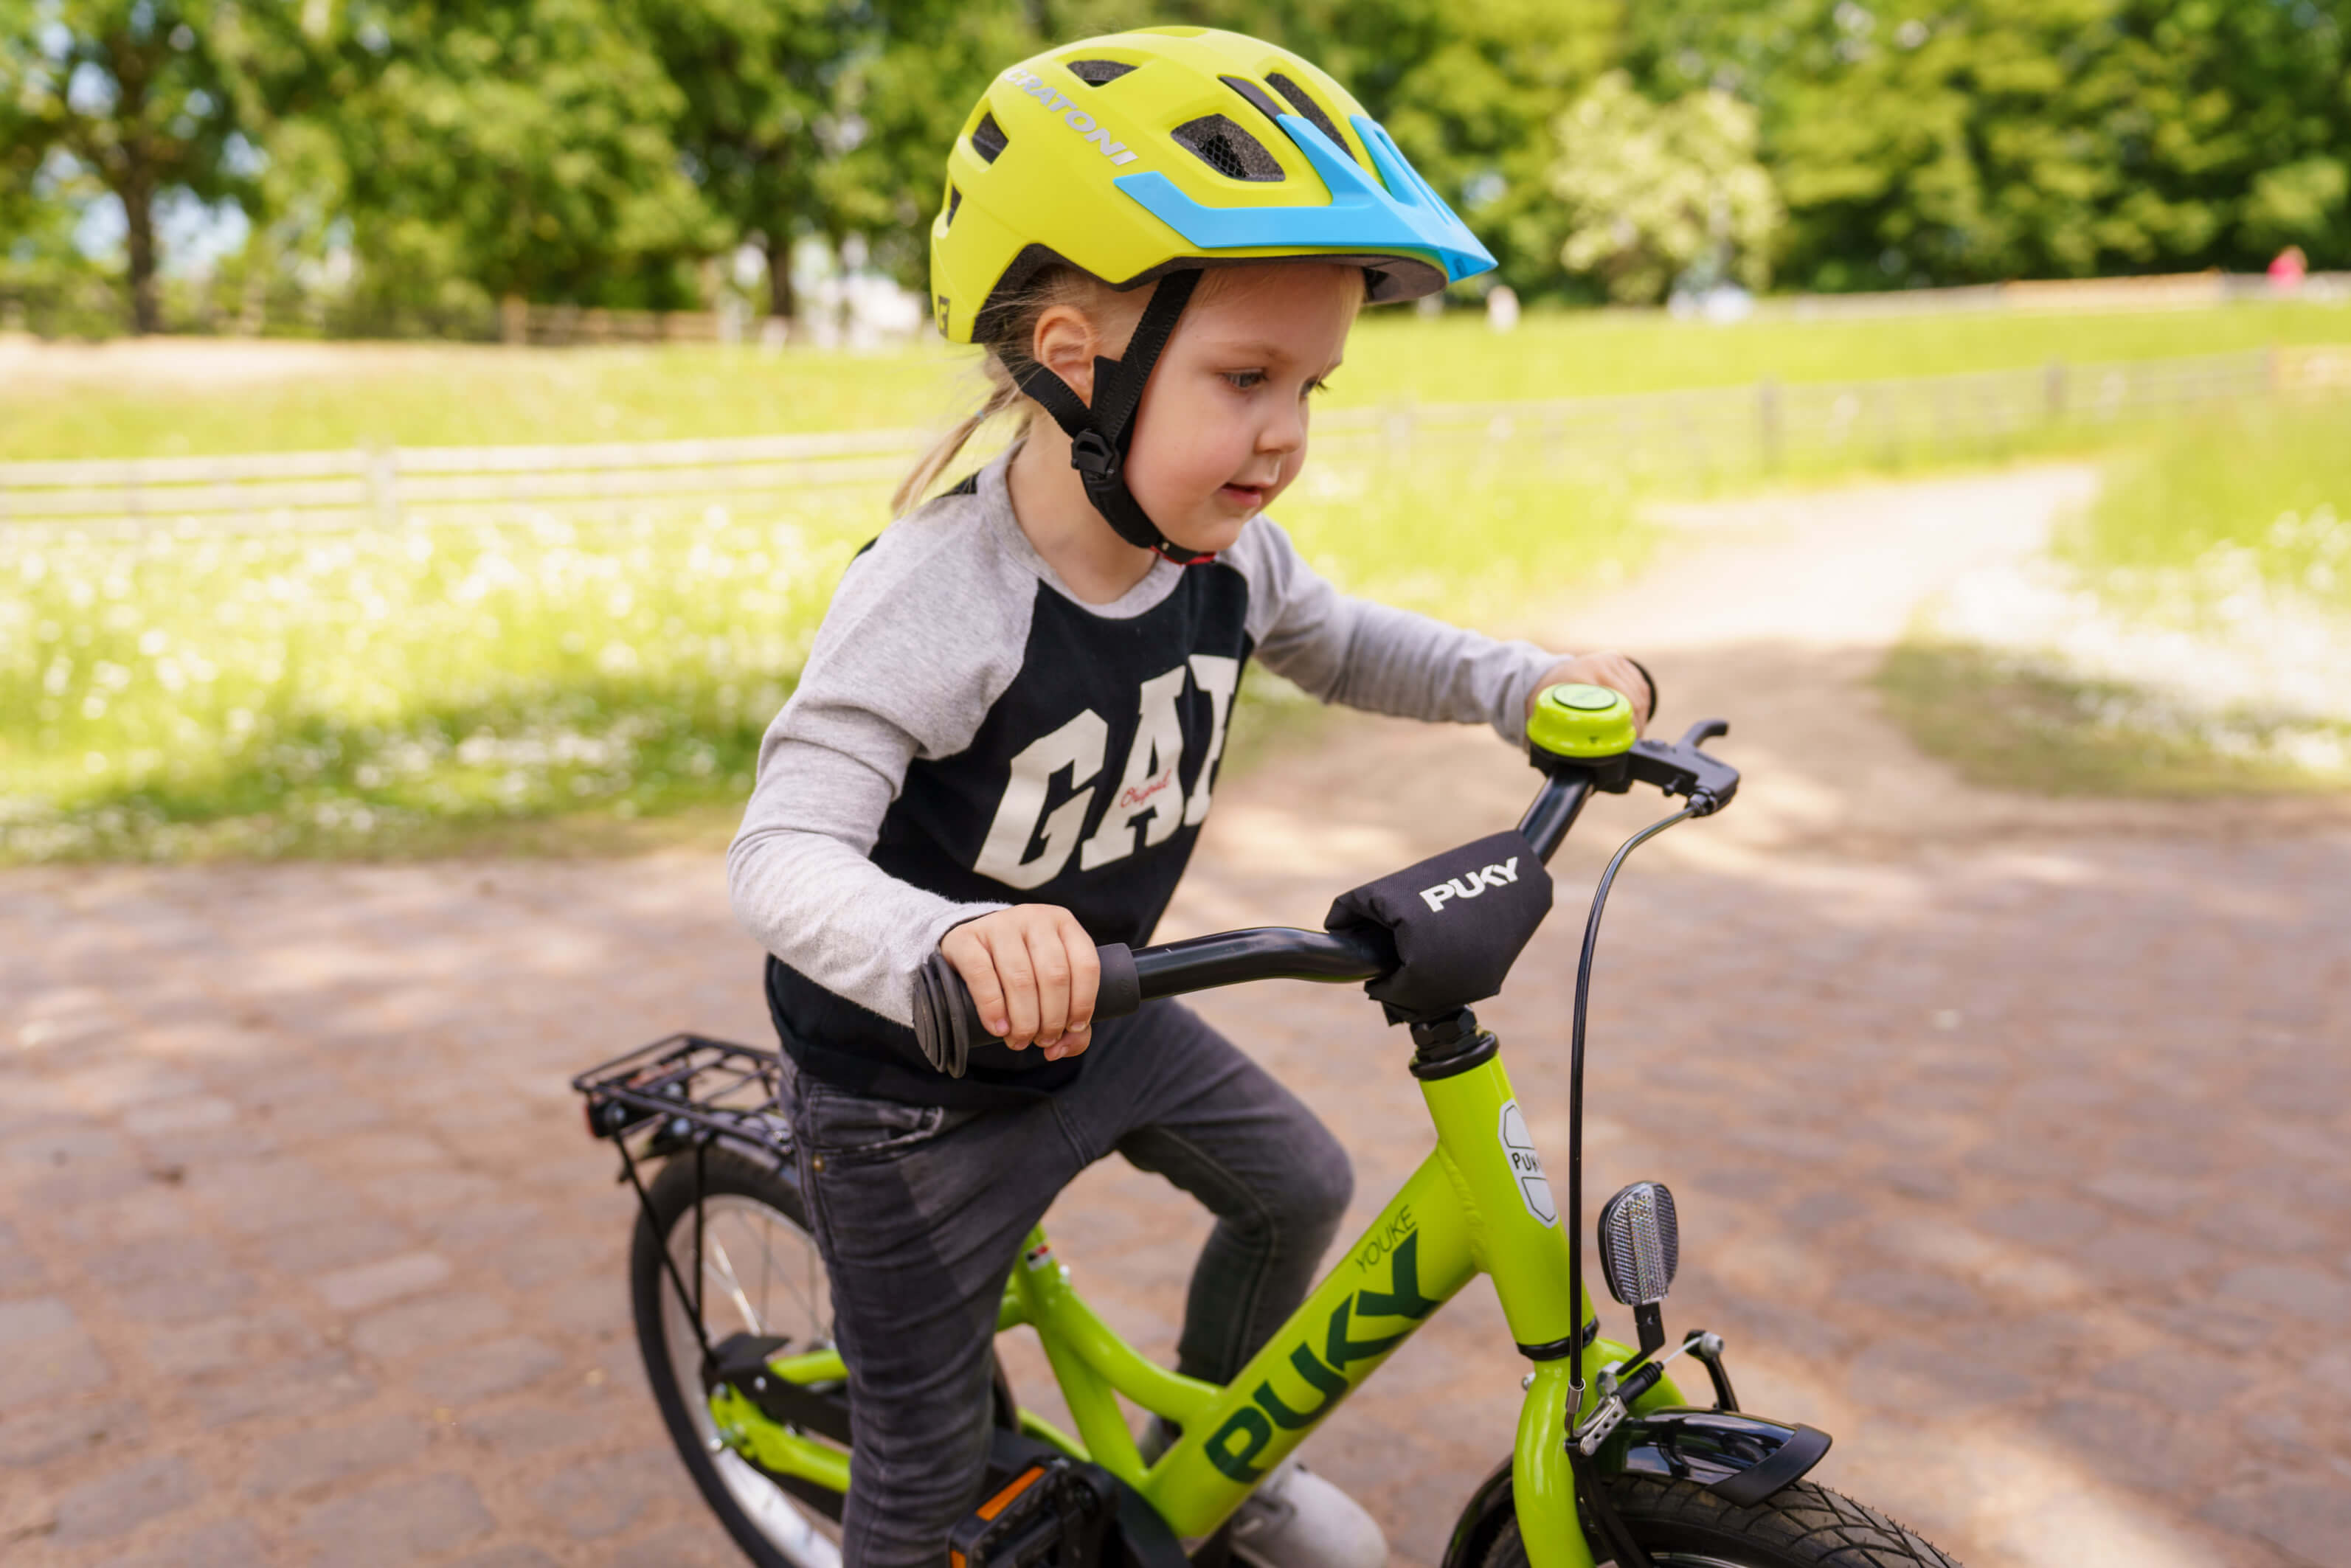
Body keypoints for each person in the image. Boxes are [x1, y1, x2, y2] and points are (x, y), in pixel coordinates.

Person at [727, 27, 1653, 1567]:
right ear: (1080, 356)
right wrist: (946, 945)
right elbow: (783, 854)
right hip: (912, 1085)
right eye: (1245, 377)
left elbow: (1349, 642)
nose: (1285, 433)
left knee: (1298, 1184)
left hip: (1103, 1005)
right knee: (924, 1462)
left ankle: (1208, 1469)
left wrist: (1524, 684)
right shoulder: (940, 599)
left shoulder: (1223, 560)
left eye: (1311, 385)